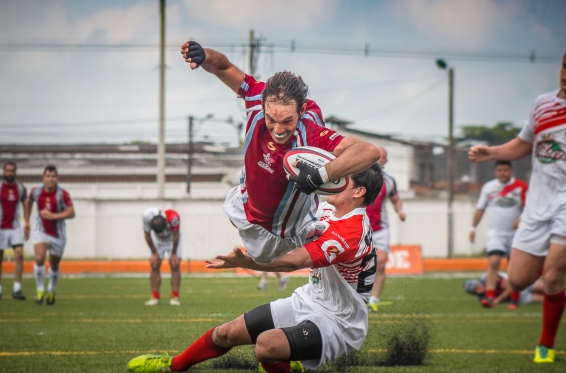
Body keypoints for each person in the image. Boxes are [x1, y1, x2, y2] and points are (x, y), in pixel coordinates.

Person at [127, 165, 383, 373]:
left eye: (344, 178)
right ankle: (172, 367)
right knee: (225, 333)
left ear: (358, 191)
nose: (336, 180)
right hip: (309, 300)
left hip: (339, 323)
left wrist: (247, 261)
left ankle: (284, 363)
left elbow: (295, 261)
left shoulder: (352, 230)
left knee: (266, 347)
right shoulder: (329, 208)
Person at [180, 41, 381, 265]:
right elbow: (224, 67)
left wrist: (321, 175)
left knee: (263, 257)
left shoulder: (311, 132)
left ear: (302, 111)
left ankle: (309, 228)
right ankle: (311, 221)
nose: (277, 130)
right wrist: (204, 55)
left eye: (287, 121)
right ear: (263, 104)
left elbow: (371, 152)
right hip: (245, 200)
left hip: (278, 229)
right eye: (271, 119)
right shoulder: (256, 96)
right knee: (230, 206)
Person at [468, 52, 566, 363]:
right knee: (520, 279)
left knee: (551, 277)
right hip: (538, 205)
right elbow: (524, 143)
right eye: (565, 66)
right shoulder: (543, 104)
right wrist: (492, 151)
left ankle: (545, 346)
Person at [469, 160, 527, 309]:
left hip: (516, 234)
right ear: (496, 172)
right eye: (499, 170)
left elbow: (531, 208)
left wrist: (521, 219)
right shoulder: (489, 187)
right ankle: (489, 296)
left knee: (513, 268)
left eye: (505, 170)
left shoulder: (521, 187)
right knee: (493, 262)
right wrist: (472, 228)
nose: (502, 173)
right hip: (496, 234)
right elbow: (479, 208)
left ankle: (514, 299)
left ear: (511, 171)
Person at [24, 165, 75, 306]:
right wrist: (27, 221)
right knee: (39, 258)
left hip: (58, 234)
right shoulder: (36, 192)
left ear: (57, 178)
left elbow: (71, 213)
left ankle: (51, 289)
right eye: (48, 176)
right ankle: (40, 290)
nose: (51, 179)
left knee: (54, 265)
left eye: (53, 176)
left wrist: (54, 216)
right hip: (41, 230)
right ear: (43, 178)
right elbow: (28, 203)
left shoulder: (62, 194)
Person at [365, 147, 405, 312]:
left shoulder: (389, 181)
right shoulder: (360, 177)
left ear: (385, 162)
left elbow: (395, 199)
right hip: (361, 228)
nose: (379, 160)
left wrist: (400, 210)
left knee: (380, 265)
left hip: (381, 228)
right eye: (377, 157)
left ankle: (374, 299)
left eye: (382, 158)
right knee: (357, 265)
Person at [0, 162, 28, 300]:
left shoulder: (20, 187)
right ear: (4, 172)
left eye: (12, 171)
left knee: (19, 254)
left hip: (15, 227)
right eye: (8, 171)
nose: (10, 173)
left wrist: (27, 222)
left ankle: (17, 289)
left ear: (15, 172)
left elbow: (26, 204)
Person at [142, 207, 182, 306]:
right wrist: (154, 253)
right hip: (157, 240)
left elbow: (176, 234)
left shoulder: (173, 217)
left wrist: (173, 253)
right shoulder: (146, 215)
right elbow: (147, 234)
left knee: (175, 264)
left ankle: (175, 296)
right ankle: (155, 296)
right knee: (154, 264)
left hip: (173, 238)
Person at [464, 273, 544, 306]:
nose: (478, 290)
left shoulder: (489, 278)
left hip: (521, 281)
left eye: (477, 287)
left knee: (548, 289)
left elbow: (511, 287)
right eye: (475, 292)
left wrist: (497, 300)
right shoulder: (482, 298)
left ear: (478, 282)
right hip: (520, 297)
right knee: (547, 299)